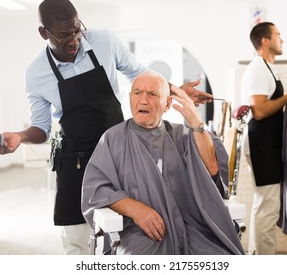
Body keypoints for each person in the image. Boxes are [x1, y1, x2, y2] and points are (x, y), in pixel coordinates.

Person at [0, 0, 213, 255]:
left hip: (119, 152)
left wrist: (172, 92)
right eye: (63, 35)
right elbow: (41, 127)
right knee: (77, 239)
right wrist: (19, 136)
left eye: (76, 30)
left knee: (126, 228)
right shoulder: (35, 72)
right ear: (43, 33)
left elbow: (138, 73)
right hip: (75, 160)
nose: (74, 40)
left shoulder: (103, 41)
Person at [81, 70, 244, 255]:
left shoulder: (182, 135)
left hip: (193, 230)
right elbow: (95, 190)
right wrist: (134, 208)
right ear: (129, 98)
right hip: (138, 233)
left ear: (167, 104)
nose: (143, 100)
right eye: (137, 93)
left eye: (152, 94)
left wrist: (196, 122)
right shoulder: (113, 139)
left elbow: (213, 169)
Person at [240, 22, 287, 255]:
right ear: (265, 41)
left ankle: (257, 258)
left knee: (264, 205)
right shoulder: (258, 68)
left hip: (266, 145)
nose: (282, 40)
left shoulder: (266, 67)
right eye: (278, 35)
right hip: (261, 146)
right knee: (267, 208)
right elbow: (259, 110)